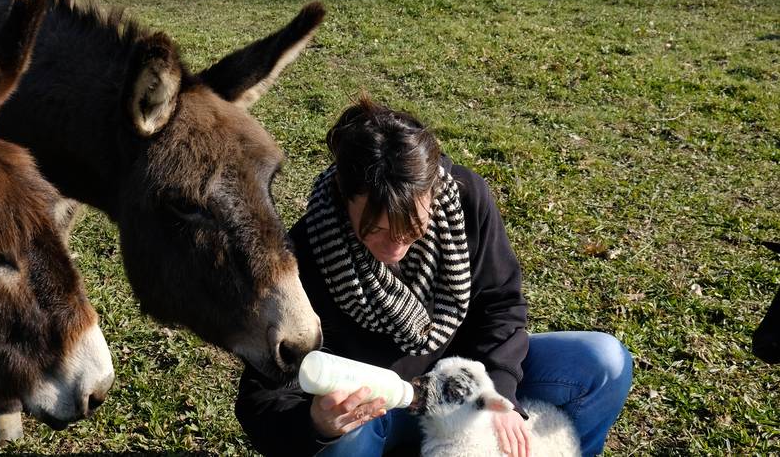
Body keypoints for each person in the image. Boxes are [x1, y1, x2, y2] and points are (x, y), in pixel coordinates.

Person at [235, 97, 633, 457]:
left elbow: (500, 305)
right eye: (374, 229)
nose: (395, 248)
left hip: (467, 386)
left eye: (412, 228)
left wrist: (498, 390)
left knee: (601, 363)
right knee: (346, 447)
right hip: (380, 415)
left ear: (433, 191)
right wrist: (316, 425)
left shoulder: (466, 198)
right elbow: (261, 397)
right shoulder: (305, 251)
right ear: (343, 196)